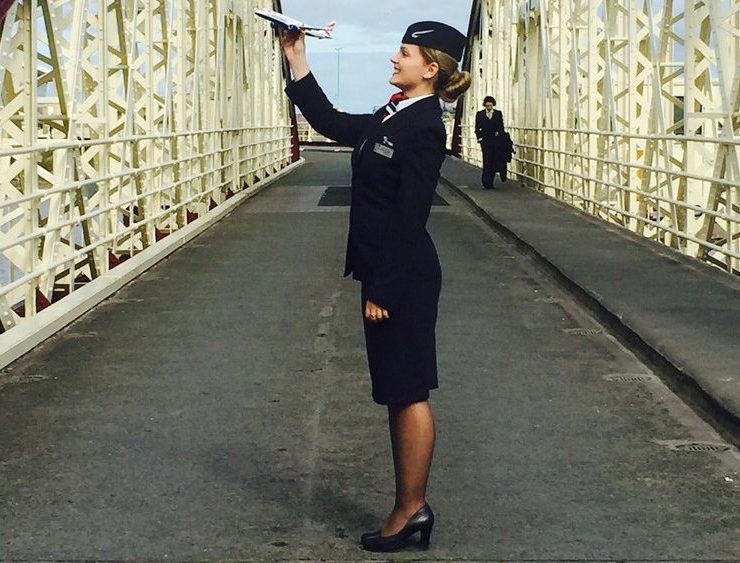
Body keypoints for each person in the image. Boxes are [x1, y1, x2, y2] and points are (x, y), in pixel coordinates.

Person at [279, 20, 471, 552]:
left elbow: (410, 214)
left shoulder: (424, 127)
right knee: (395, 390)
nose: (394, 58)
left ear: (429, 68)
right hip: (389, 271)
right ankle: (408, 505)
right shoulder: (394, 114)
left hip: (402, 276)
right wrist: (297, 59)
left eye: (404, 53)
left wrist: (384, 289)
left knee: (408, 390)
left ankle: (412, 508)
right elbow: (331, 122)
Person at [475, 96, 505, 188]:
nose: (489, 107)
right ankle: (486, 182)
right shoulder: (480, 114)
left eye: (490, 106)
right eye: (487, 106)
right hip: (485, 141)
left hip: (495, 141)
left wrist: (499, 132)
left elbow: (501, 126)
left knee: (493, 161)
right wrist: (479, 137)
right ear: (485, 105)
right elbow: (477, 127)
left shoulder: (498, 114)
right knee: (486, 160)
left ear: (493, 105)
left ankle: (490, 182)